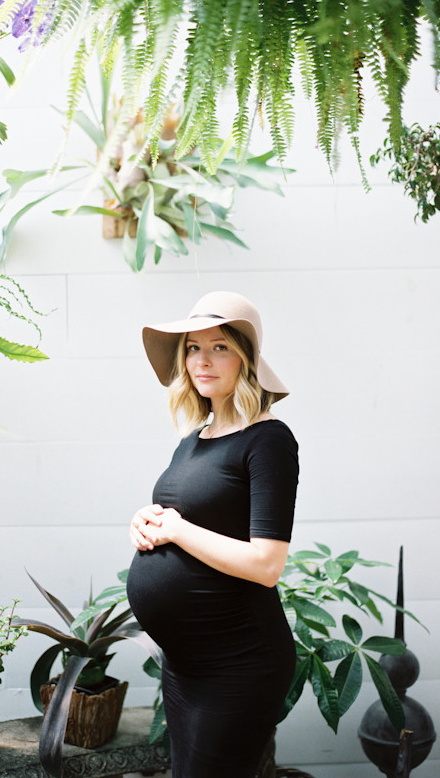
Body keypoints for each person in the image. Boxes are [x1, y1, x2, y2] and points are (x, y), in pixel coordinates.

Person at [126, 290, 299, 778]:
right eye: (193, 347)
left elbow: (266, 565)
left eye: (220, 346)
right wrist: (146, 521)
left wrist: (178, 530)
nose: (203, 359)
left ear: (246, 359)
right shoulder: (193, 439)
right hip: (185, 664)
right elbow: (190, 517)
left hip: (238, 663)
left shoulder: (268, 439)